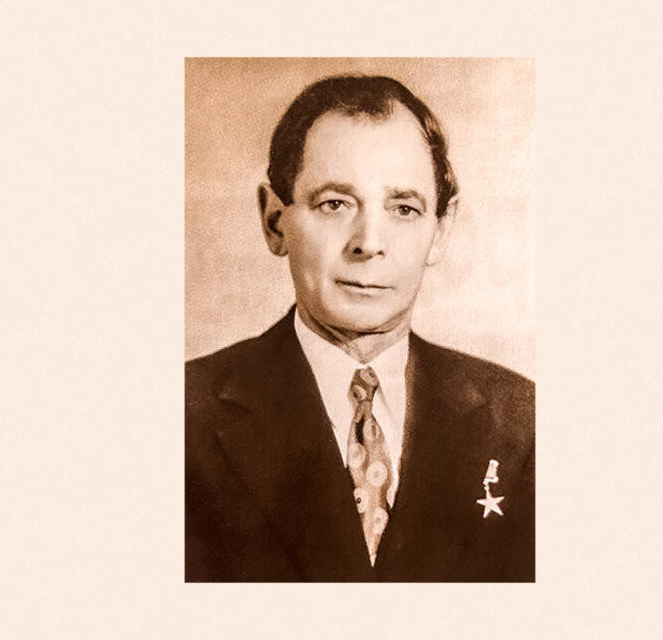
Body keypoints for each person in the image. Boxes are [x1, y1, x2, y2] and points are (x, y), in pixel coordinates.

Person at [185, 74, 534, 581]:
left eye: (404, 209)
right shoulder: (182, 418)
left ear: (440, 229)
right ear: (275, 220)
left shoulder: (522, 423)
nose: (369, 243)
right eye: (335, 203)